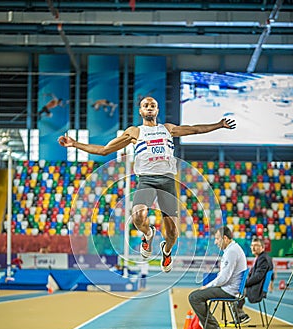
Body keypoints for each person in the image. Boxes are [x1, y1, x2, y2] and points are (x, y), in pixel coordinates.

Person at [58, 97, 236, 272]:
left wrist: (219, 125)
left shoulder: (168, 129)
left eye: (153, 105)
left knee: (173, 233)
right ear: (141, 111)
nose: (149, 107)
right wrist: (75, 144)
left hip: (167, 181)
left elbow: (195, 130)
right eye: (145, 105)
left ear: (157, 110)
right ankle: (148, 234)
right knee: (137, 217)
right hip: (147, 180)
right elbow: (104, 150)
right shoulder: (135, 132)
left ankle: (166, 251)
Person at [188, 226, 247, 329]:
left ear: (225, 238)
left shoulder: (232, 251)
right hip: (229, 288)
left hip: (229, 290)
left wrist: (207, 286)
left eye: (217, 239)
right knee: (197, 295)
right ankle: (211, 327)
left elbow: (223, 278)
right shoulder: (232, 249)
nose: (215, 242)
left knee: (194, 297)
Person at [235, 237, 274, 324]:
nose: (253, 248)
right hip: (255, 287)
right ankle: (240, 315)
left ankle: (241, 316)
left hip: (256, 289)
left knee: (232, 292)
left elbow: (258, 277)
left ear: (263, 247)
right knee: (237, 290)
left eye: (256, 245)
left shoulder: (263, 259)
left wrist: (243, 284)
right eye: (252, 245)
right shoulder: (261, 257)